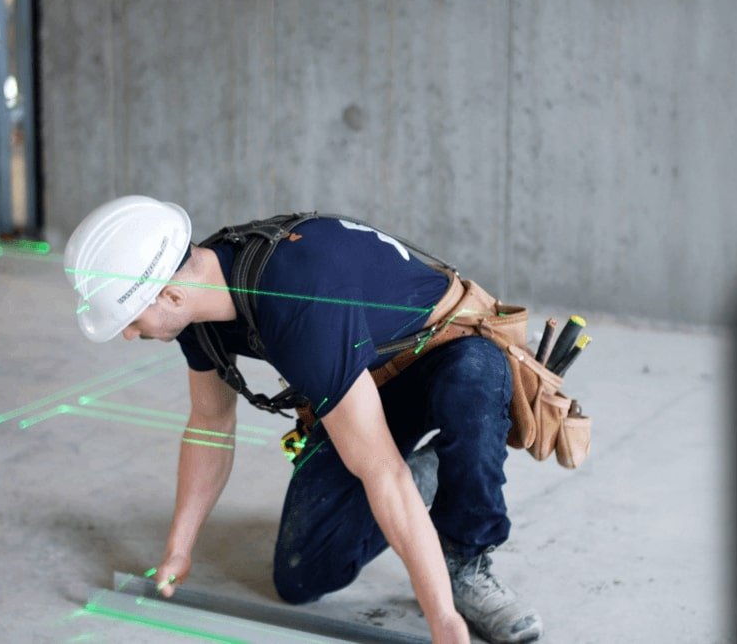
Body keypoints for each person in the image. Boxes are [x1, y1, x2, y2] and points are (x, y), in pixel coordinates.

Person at [64, 196, 543, 643]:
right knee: (302, 575)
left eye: (130, 318)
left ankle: (466, 557)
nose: (129, 334)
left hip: (443, 352)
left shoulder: (299, 300)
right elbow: (210, 424)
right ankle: (430, 477)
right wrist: (178, 549)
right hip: (361, 377)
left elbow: (379, 468)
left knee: (473, 380)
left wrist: (442, 619)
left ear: (169, 296)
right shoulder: (199, 300)